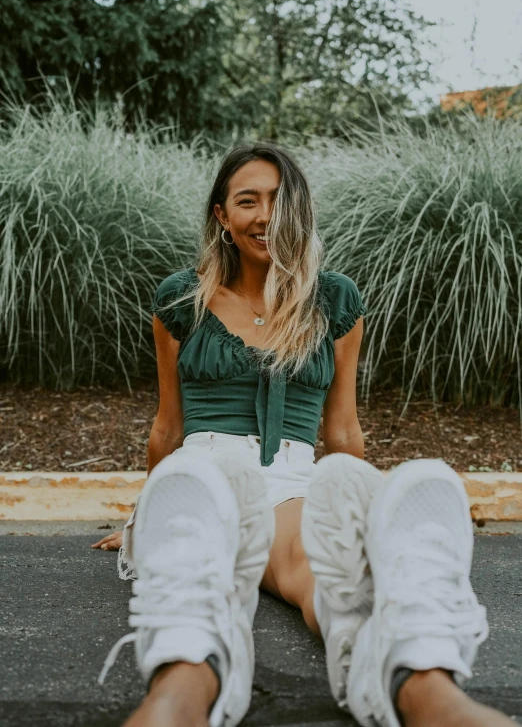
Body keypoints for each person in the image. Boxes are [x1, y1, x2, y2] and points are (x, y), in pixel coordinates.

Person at [93, 142, 512, 727]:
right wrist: (150, 512)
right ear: (222, 215)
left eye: (280, 200)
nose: (266, 216)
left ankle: (405, 671)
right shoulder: (181, 300)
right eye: (248, 201)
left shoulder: (335, 300)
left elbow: (342, 426)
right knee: (200, 553)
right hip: (203, 473)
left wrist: (366, 499)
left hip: (293, 479)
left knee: (315, 565)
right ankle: (189, 673)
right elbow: (169, 423)